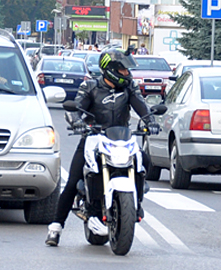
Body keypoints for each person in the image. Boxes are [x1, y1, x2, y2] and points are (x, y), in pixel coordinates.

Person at [46, 49, 160, 247]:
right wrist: (77, 122)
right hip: (93, 137)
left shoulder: (129, 88)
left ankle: (136, 203)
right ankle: (56, 228)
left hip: (121, 139)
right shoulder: (90, 87)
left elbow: (142, 107)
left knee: (144, 161)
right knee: (73, 181)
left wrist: (150, 121)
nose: (127, 74)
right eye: (123, 70)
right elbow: (76, 110)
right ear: (111, 70)